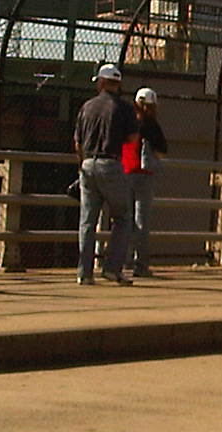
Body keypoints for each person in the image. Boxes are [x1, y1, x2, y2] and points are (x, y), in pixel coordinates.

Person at [74, 63, 139, 286]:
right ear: (117, 84)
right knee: (122, 218)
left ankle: (84, 272)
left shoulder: (87, 107)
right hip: (111, 163)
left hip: (87, 164)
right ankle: (112, 269)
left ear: (101, 83)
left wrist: (82, 164)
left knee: (87, 221)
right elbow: (131, 139)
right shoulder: (124, 108)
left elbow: (77, 141)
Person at [122, 87, 167, 278]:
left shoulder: (127, 121)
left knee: (124, 219)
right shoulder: (151, 125)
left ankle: (123, 262)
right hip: (144, 174)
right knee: (142, 221)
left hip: (125, 172)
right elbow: (161, 150)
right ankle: (140, 265)